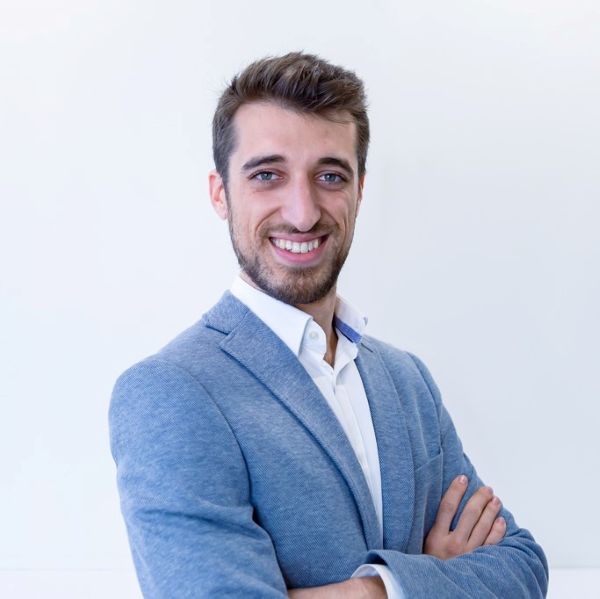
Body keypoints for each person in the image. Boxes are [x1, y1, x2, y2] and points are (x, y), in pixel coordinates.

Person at [109, 51, 548, 598]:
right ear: (220, 193)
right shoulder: (171, 392)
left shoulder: (407, 381)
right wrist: (415, 581)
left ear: (359, 190)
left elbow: (523, 568)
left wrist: (366, 590)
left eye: (330, 176)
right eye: (267, 175)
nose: (303, 212)